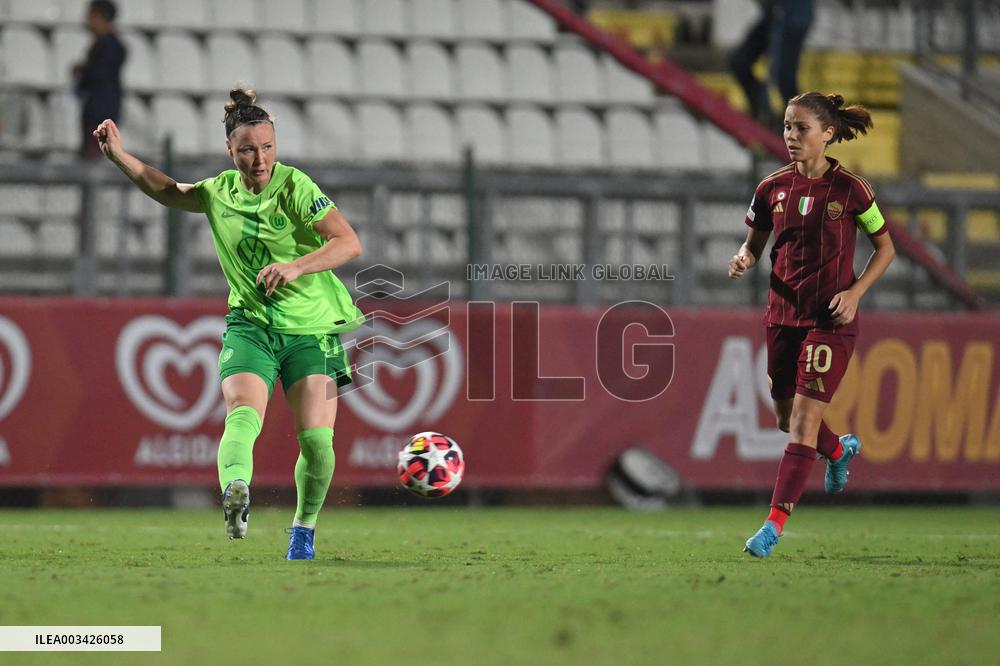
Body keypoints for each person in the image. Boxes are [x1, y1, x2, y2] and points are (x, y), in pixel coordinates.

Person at [93, 87, 365, 560]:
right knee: (242, 412)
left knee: (318, 442)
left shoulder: (296, 187)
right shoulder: (219, 192)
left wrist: (296, 267)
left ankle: (302, 530)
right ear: (230, 150)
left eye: (267, 148)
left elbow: (348, 243)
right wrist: (119, 156)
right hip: (251, 326)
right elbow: (167, 190)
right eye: (247, 150)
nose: (260, 160)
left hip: (311, 331)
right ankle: (236, 488)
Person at [728, 91, 895, 558]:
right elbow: (753, 244)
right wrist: (743, 258)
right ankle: (838, 450)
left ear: (828, 134)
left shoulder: (852, 190)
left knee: (803, 420)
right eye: (787, 126)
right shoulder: (771, 188)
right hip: (782, 316)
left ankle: (773, 526)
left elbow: (886, 248)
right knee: (786, 418)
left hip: (830, 320)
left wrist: (855, 293)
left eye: (802, 128)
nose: (791, 135)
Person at [727, 0, 814, 129]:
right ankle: (762, 109)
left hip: (792, 15)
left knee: (782, 78)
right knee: (740, 62)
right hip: (777, 12)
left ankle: (788, 122)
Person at [74, 0, 126, 159]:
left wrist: (83, 70)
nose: (88, 20)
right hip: (98, 107)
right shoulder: (105, 44)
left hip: (100, 109)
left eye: (91, 16)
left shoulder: (110, 46)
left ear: (100, 17)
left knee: (95, 155)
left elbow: (99, 74)